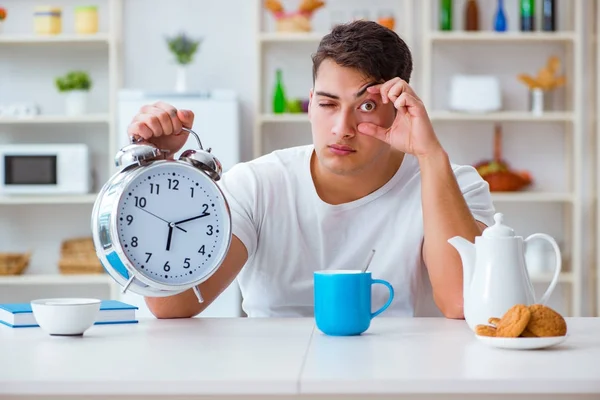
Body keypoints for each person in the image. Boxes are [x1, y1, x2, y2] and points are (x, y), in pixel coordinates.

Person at [127, 20, 495, 320]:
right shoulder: (258, 184)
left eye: (366, 107)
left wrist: (430, 156)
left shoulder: (455, 184)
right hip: (276, 378)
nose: (341, 128)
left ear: (400, 109)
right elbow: (171, 306)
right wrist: (159, 175)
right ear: (310, 104)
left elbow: (462, 302)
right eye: (327, 104)